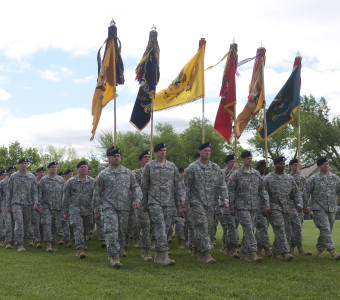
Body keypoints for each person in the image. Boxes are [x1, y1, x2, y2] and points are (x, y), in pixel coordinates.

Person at [94, 147, 141, 268]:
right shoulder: (103, 175)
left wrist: (137, 199)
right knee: (111, 230)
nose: (117, 158)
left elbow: (135, 187)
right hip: (109, 207)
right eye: (114, 156)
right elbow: (97, 193)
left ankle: (118, 251)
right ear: (109, 158)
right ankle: (114, 256)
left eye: (118, 156)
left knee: (121, 232)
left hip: (124, 207)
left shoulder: (128, 173)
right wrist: (96, 210)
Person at [185, 142, 229, 263]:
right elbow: (187, 188)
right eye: (205, 150)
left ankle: (195, 247)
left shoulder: (215, 168)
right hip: (196, 202)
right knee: (202, 226)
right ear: (199, 152)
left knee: (208, 228)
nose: (207, 152)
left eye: (209, 150)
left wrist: (225, 199)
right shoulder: (192, 168)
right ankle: (205, 254)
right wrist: (185, 206)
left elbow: (222, 185)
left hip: (211, 203)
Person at [142, 142, 185, 265]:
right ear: (155, 152)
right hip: (154, 201)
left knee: (165, 229)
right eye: (160, 150)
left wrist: (181, 199)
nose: (163, 152)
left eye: (165, 150)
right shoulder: (150, 166)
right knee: (160, 226)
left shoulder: (172, 166)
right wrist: (144, 203)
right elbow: (144, 186)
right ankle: (164, 255)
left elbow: (178, 184)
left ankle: (158, 255)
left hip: (169, 202)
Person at [228, 151, 268, 262]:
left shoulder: (256, 174)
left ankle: (244, 254)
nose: (249, 160)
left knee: (249, 229)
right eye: (247, 158)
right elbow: (230, 191)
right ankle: (254, 253)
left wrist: (265, 205)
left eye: (251, 158)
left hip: (254, 206)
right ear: (242, 160)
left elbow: (261, 190)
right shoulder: (236, 174)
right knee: (249, 229)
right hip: (241, 206)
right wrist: (231, 206)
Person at [264, 157, 302, 262]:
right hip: (274, 207)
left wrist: (299, 203)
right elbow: (263, 194)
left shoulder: (289, 179)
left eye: (283, 163)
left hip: (287, 207)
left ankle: (275, 253)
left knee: (286, 231)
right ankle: (286, 253)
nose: (282, 165)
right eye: (280, 163)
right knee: (280, 228)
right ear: (275, 165)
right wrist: (266, 206)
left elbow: (296, 193)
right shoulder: (268, 178)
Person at [303, 157, 340, 260]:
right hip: (318, 208)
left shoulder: (335, 178)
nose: (326, 165)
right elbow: (306, 193)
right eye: (324, 164)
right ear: (319, 166)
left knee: (326, 231)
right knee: (325, 229)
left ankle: (319, 251)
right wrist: (304, 207)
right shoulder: (313, 179)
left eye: (327, 163)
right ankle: (333, 252)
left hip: (332, 208)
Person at [64, 160, 95, 259]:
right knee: (78, 228)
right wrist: (65, 211)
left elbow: (96, 196)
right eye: (82, 167)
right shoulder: (71, 181)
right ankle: (80, 249)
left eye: (86, 167)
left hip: (88, 209)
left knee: (87, 228)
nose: (84, 169)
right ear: (78, 169)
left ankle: (83, 243)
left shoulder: (92, 181)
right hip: (75, 209)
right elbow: (65, 197)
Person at [7, 158, 38, 252]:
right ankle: (20, 244)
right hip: (16, 203)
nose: (24, 165)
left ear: (27, 165)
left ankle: (23, 240)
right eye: (22, 163)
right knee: (19, 222)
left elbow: (34, 191)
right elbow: (10, 191)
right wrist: (8, 204)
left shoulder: (32, 177)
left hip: (27, 203)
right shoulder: (13, 176)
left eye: (25, 163)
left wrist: (35, 202)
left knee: (26, 223)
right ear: (19, 165)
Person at [39, 162, 65, 252]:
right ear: (48, 169)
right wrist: (40, 205)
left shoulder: (61, 180)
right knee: (47, 224)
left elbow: (64, 194)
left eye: (55, 167)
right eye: (52, 167)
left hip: (58, 206)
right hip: (46, 206)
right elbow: (40, 194)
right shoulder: (43, 180)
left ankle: (53, 243)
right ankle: (48, 244)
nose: (54, 168)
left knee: (55, 225)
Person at [288, 158, 312, 255]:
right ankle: (291, 247)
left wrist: (305, 206)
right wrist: (298, 171)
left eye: (297, 165)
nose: (297, 166)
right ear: (290, 166)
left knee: (299, 227)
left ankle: (298, 247)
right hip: (290, 205)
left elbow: (304, 193)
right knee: (293, 227)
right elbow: (293, 184)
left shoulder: (302, 178)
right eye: (294, 165)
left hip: (300, 205)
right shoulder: (287, 177)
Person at [219, 154, 239, 258]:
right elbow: (223, 186)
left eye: (234, 161)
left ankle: (226, 246)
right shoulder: (223, 172)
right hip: (225, 204)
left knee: (232, 227)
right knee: (231, 225)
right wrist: (232, 172)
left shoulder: (239, 172)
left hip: (237, 204)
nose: (233, 163)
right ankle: (233, 248)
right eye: (231, 161)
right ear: (227, 163)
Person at [134, 150, 153, 261]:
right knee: (145, 225)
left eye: (149, 157)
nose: (148, 159)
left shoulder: (156, 171)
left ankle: (154, 245)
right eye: (145, 157)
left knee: (154, 226)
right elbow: (135, 188)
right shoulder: (136, 173)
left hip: (155, 202)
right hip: (141, 203)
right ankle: (146, 251)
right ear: (141, 160)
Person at [254, 160, 272, 257]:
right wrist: (264, 175)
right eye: (263, 166)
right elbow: (259, 186)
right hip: (257, 205)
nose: (265, 168)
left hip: (265, 205)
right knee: (263, 226)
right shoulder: (256, 175)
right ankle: (267, 247)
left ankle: (258, 247)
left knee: (262, 228)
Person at [29, 166, 45, 248]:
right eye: (40, 172)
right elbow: (31, 194)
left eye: (43, 172)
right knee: (35, 223)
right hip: (35, 206)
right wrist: (36, 206)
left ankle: (42, 239)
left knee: (44, 224)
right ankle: (36, 241)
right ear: (37, 173)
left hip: (45, 206)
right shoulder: (33, 181)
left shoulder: (46, 181)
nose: (42, 174)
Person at [0, 166, 16, 249]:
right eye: (11, 170)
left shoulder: (18, 181)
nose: (12, 172)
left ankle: (14, 240)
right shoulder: (2, 182)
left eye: (14, 170)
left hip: (16, 205)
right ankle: (9, 242)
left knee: (15, 223)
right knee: (8, 223)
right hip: (5, 205)